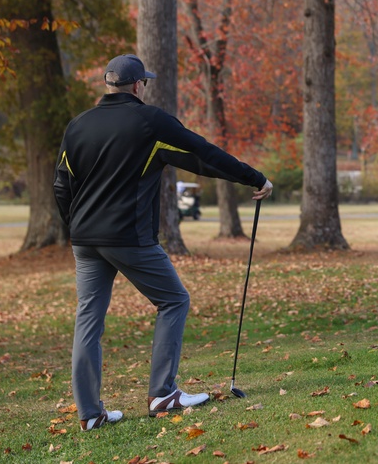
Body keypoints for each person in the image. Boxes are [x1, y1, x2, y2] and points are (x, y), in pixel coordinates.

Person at [53, 54, 273, 431]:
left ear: (109, 85)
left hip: (85, 239)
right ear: (139, 85)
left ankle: (90, 415)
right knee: (174, 300)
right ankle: (163, 394)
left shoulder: (78, 125)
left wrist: (75, 226)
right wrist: (255, 178)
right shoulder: (149, 120)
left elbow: (61, 185)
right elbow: (203, 154)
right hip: (129, 237)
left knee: (88, 319)